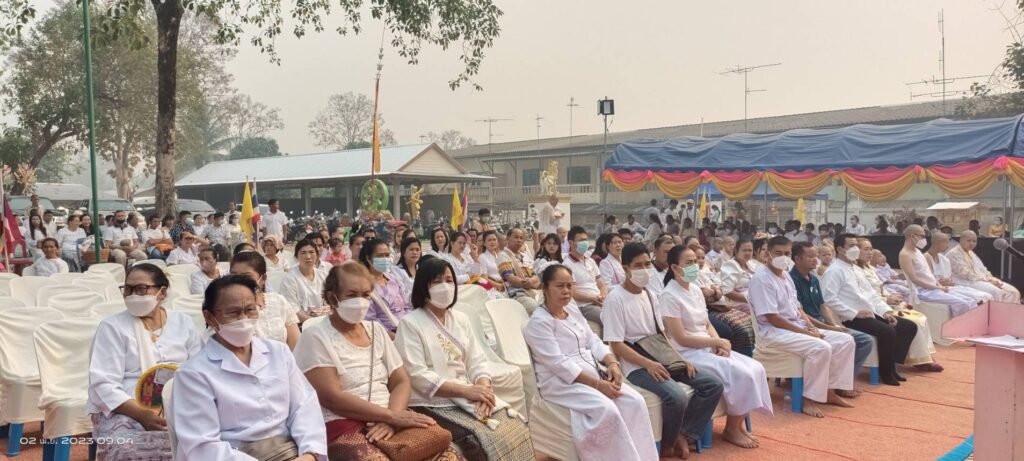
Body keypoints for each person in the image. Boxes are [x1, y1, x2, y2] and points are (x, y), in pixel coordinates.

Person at [294, 263, 459, 460]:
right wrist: (390, 416)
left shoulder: (376, 330)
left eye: (365, 295)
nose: (360, 301)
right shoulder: (316, 336)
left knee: (446, 447)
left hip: (389, 418)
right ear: (332, 298)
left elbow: (401, 381)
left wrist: (392, 418)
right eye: (351, 295)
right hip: (344, 422)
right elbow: (331, 397)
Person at [171, 276, 327, 460]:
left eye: (250, 310)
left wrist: (310, 453)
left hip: (290, 451)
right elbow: (203, 446)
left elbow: (304, 406)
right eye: (233, 312)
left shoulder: (278, 352)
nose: (244, 319)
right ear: (210, 317)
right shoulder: (193, 374)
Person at [394, 257, 534, 460]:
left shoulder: (461, 319)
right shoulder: (410, 323)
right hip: (432, 401)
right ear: (423, 287)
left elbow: (477, 360)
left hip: (467, 394)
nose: (445, 286)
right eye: (436, 282)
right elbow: (416, 374)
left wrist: (484, 389)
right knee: (480, 439)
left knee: (516, 425)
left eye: (449, 280)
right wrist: (466, 391)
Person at [524, 264, 658, 461]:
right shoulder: (539, 322)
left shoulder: (571, 308)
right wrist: (597, 385)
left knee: (635, 401)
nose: (566, 291)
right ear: (545, 288)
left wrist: (612, 363)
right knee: (607, 410)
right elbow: (559, 364)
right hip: (561, 382)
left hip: (593, 370)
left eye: (570, 285)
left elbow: (592, 339)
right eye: (560, 286)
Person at [603, 242, 723, 459]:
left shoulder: (649, 294)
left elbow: (662, 334)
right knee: (676, 396)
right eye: (638, 266)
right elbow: (617, 344)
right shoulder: (615, 298)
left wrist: (679, 358)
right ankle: (668, 443)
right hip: (635, 364)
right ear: (625, 268)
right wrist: (648, 364)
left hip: (660, 355)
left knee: (712, 384)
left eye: (647, 264)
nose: (644, 270)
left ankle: (683, 434)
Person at [660, 246, 771, 448]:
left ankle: (738, 426)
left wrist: (719, 342)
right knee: (742, 373)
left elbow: (707, 323)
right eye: (689, 263)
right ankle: (731, 428)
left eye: (696, 262)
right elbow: (680, 337)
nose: (695, 266)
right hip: (687, 353)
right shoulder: (669, 295)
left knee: (756, 367)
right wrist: (715, 342)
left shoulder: (695, 289)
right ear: (675, 268)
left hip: (707, 346)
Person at [87, 264, 202, 460]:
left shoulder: (183, 322)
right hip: (127, 408)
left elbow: (199, 369)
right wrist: (141, 414)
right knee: (129, 448)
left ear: (161, 292)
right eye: (128, 289)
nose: (133, 295)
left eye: (141, 289)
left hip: (182, 402)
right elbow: (104, 384)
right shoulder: (112, 327)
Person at [748, 236, 856, 417]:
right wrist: (806, 333)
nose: (783, 257)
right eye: (778, 253)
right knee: (820, 347)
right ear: (767, 254)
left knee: (845, 340)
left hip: (795, 327)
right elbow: (773, 318)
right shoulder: (762, 278)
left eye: (787, 253)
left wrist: (813, 327)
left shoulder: (785, 275)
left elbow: (797, 309)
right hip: (774, 333)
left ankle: (829, 390)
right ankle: (809, 398)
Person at [821, 234, 918, 386]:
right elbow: (828, 299)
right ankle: (885, 372)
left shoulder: (856, 269)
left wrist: (886, 312)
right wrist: (854, 313)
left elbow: (871, 294)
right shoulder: (834, 271)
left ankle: (893, 366)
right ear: (839, 249)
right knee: (888, 331)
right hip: (850, 318)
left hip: (869, 313)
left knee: (908, 326)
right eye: (851, 246)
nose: (856, 249)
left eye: (856, 246)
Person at [790, 242, 873, 397]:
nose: (815, 260)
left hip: (822, 323)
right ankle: (831, 385)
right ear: (797, 259)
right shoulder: (792, 280)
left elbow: (823, 305)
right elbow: (800, 313)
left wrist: (833, 324)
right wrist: (830, 328)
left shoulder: (813, 278)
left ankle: (842, 382)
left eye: (816, 256)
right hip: (807, 325)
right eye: (810, 256)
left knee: (864, 340)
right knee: (851, 340)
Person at [857, 237, 943, 372]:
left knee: (920, 317)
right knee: (914, 321)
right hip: (872, 308)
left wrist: (889, 296)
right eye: (866, 249)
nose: (870, 252)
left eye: (871, 249)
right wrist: (886, 300)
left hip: (882, 303)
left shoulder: (870, 268)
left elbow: (880, 288)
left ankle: (923, 357)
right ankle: (919, 359)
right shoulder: (856, 271)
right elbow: (864, 295)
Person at [900, 226, 979, 317]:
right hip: (922, 292)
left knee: (971, 300)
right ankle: (959, 326)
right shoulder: (905, 254)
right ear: (912, 236)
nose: (924, 239)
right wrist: (938, 288)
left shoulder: (917, 251)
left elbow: (928, 274)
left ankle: (970, 325)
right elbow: (914, 280)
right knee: (962, 303)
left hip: (934, 287)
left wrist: (939, 286)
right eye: (922, 236)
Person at [693, 247, 756, 358]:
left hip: (720, 305)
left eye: (702, 258)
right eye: (696, 259)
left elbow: (718, 292)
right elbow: (705, 297)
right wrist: (714, 293)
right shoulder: (730, 265)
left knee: (749, 321)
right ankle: (741, 357)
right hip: (712, 309)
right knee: (741, 329)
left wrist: (713, 292)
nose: (700, 261)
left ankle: (752, 356)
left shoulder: (702, 274)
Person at [230, 251, 301, 349]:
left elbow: (296, 343)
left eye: (246, 277)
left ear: (263, 278)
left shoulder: (278, 301)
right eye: (234, 276)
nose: (238, 281)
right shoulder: (225, 308)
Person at [947, 230, 1021, 302]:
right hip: (965, 282)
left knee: (1013, 292)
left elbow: (983, 269)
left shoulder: (971, 253)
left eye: (974, 241)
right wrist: (987, 281)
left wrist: (992, 279)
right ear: (961, 240)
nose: (972, 243)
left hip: (981, 280)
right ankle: (998, 310)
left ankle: (1008, 310)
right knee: (997, 292)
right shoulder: (954, 254)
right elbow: (965, 274)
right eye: (968, 241)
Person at [562, 226, 609, 336]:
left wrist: (603, 295)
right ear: (571, 242)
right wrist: (593, 298)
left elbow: (602, 284)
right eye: (581, 240)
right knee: (608, 317)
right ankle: (609, 345)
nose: (585, 243)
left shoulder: (590, 261)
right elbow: (573, 293)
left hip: (599, 301)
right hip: (584, 306)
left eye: (586, 240)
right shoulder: (567, 265)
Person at [360, 239, 413, 333]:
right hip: (386, 333)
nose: (384, 259)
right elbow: (370, 319)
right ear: (368, 258)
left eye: (387, 255)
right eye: (380, 256)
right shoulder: (364, 285)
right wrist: (392, 336)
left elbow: (406, 306)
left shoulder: (393, 279)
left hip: (406, 326)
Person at [925, 232, 994, 304]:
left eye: (974, 241)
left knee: (986, 296)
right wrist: (940, 283)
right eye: (946, 243)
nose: (948, 246)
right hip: (938, 288)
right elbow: (927, 279)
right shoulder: (926, 257)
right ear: (937, 243)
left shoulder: (944, 259)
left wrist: (990, 279)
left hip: (950, 287)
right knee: (969, 301)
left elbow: (949, 278)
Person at [281, 239, 331, 322]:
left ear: (317, 255)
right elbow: (292, 309)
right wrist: (312, 322)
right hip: (301, 323)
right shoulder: (290, 279)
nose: (308, 256)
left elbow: (330, 302)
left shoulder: (323, 275)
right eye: (303, 253)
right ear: (296, 256)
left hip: (324, 320)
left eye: (311, 252)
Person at [496, 228, 541, 314]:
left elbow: (535, 275)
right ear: (508, 238)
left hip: (532, 291)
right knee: (537, 309)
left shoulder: (524, 256)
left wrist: (531, 280)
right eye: (516, 237)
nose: (519, 240)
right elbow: (510, 278)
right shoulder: (503, 256)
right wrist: (527, 283)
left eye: (521, 238)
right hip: (518, 295)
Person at [720, 239, 760, 313]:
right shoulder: (730, 265)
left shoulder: (751, 264)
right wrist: (750, 299)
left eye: (750, 250)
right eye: (744, 250)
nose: (747, 253)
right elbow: (727, 291)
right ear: (736, 251)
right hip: (739, 304)